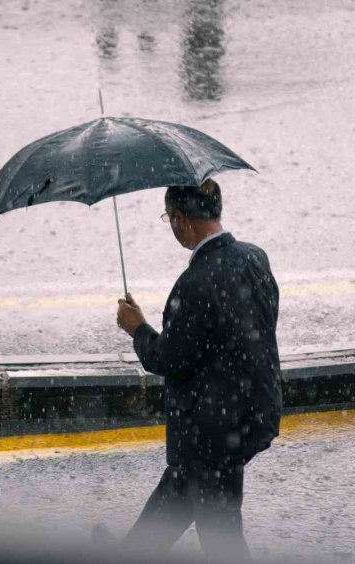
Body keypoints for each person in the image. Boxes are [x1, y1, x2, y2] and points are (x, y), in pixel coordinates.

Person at [115, 179, 281, 562]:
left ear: (181, 220)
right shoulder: (256, 259)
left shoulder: (194, 284)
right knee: (181, 493)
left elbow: (169, 360)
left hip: (211, 432)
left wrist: (136, 328)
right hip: (251, 415)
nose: (170, 226)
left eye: (168, 218)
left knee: (221, 535)